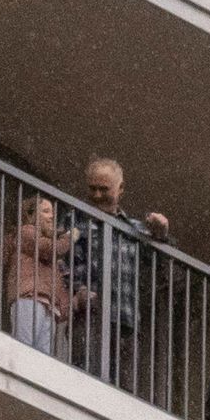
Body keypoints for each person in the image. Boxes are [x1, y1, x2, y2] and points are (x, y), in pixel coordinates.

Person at [69, 158, 170, 399]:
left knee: (124, 393)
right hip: (90, 314)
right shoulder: (76, 220)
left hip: (125, 318)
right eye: (92, 188)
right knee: (86, 382)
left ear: (120, 189)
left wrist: (161, 235)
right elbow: (64, 262)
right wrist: (77, 290)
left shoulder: (135, 229)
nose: (96, 194)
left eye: (104, 189)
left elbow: (161, 269)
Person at [1, 193, 74, 357]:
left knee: (42, 358)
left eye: (52, 212)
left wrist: (67, 308)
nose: (52, 216)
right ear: (31, 214)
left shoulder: (48, 248)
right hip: (29, 297)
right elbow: (50, 249)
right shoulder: (25, 232)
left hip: (48, 304)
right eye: (46, 211)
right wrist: (68, 238)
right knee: (25, 347)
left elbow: (58, 285)